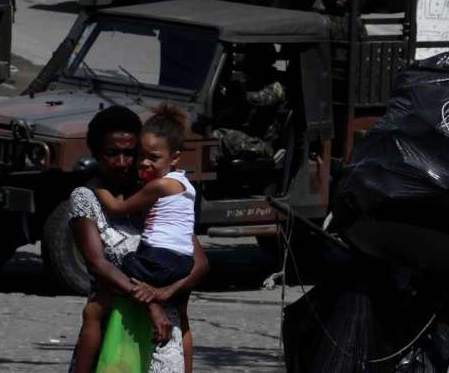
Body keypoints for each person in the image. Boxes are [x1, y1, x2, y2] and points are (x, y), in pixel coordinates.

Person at [69, 105, 210, 373]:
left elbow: (200, 263)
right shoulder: (86, 197)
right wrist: (153, 303)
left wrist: (165, 293)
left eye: (129, 153)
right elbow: (99, 265)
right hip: (115, 329)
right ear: (95, 153)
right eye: (112, 153)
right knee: (94, 310)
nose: (122, 162)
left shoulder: (156, 194)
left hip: (163, 334)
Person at [91, 104, 196, 336]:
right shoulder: (185, 185)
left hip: (160, 258)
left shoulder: (160, 186)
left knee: (122, 260)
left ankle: (152, 305)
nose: (144, 163)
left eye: (153, 158)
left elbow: (118, 209)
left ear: (175, 157)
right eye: (141, 156)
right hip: (183, 262)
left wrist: (97, 188)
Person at [212, 44, 287, 163]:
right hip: (248, 137)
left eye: (251, 59)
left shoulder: (277, 84)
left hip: (263, 145)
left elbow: (263, 99)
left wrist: (240, 94)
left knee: (217, 136)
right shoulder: (252, 82)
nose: (246, 63)